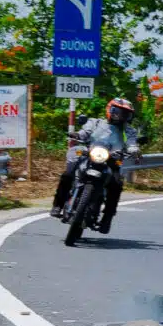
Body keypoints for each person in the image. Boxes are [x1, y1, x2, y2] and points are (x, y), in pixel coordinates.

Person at [53, 97, 146, 234]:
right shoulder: (95, 122)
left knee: (116, 184)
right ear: (110, 109)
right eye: (117, 111)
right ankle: (58, 205)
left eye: (124, 113)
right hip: (90, 151)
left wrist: (133, 149)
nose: (120, 115)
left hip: (112, 158)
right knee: (68, 173)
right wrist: (77, 134)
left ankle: (107, 218)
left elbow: (132, 142)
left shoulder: (128, 130)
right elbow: (85, 133)